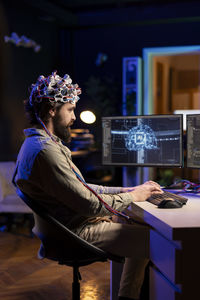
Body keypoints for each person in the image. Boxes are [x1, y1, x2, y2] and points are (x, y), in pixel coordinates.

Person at [13, 71, 163, 300]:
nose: (75, 117)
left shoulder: (39, 143)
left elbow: (81, 188)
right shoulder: (45, 152)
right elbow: (89, 204)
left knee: (129, 221)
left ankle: (125, 295)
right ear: (52, 109)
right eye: (71, 110)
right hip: (75, 232)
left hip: (69, 225)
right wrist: (135, 197)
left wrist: (127, 190)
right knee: (156, 240)